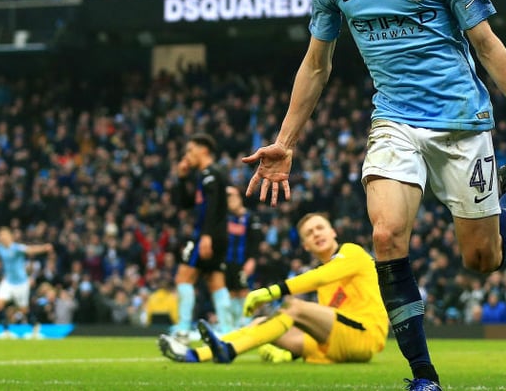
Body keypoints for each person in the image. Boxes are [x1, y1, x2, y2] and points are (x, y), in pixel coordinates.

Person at [240, 0, 506, 390]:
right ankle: (424, 376)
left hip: (462, 121)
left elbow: (485, 42)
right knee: (385, 236)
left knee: (482, 260)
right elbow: (317, 63)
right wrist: (284, 141)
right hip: (395, 122)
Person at [158, 212, 388, 365]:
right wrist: (288, 352)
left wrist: (271, 291)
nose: (316, 233)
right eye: (310, 233)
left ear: (333, 232)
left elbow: (319, 277)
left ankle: (229, 352)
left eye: (320, 228)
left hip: (366, 337)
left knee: (293, 306)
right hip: (339, 345)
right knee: (261, 322)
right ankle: (196, 354)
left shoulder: (352, 252)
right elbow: (327, 323)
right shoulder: (325, 281)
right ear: (306, 246)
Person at [170, 133, 233, 339]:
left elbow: (214, 208)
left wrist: (206, 236)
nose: (187, 155)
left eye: (190, 150)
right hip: (217, 235)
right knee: (215, 280)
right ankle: (228, 331)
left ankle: (183, 329)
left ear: (203, 150)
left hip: (208, 235)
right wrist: (181, 178)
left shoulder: (211, 174)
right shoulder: (205, 175)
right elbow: (186, 204)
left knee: (183, 277)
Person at [0, 227, 53, 334]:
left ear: (9, 237)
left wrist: (44, 248)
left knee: (24, 310)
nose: (2, 238)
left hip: (21, 283)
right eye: (0, 236)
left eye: (4, 235)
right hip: (8, 282)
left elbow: (31, 250)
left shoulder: (17, 248)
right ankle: (6, 329)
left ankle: (35, 325)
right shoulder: (0, 248)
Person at [217, 185, 265, 333]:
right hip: (227, 262)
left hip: (243, 262)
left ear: (239, 197)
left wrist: (252, 260)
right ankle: (231, 327)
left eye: (232, 196)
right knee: (230, 292)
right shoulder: (224, 218)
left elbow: (256, 242)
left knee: (243, 291)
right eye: (227, 197)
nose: (229, 200)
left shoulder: (251, 218)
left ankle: (245, 324)